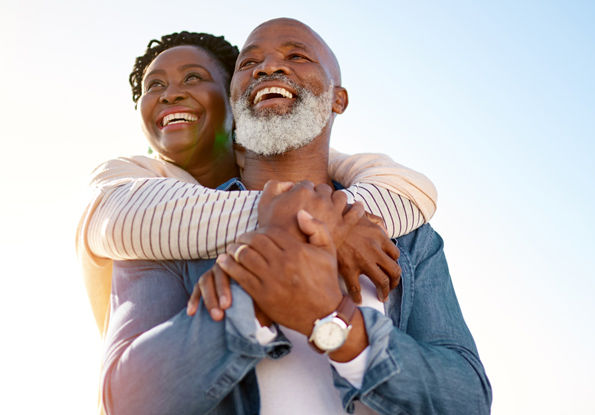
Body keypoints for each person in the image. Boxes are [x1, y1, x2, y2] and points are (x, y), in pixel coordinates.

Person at [102, 18, 491, 414]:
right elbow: (127, 400)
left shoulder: (408, 235)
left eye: (296, 55)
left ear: (338, 99)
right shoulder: (164, 229)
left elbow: (468, 401)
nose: (268, 67)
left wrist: (335, 321)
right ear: (234, 101)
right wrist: (248, 298)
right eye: (249, 62)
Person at [76, 31, 438, 335]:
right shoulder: (128, 175)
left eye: (192, 78)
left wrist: (322, 216)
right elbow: (124, 220)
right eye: (154, 85)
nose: (170, 93)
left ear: (236, 100)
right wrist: (316, 222)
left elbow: (408, 187)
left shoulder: (283, 167)